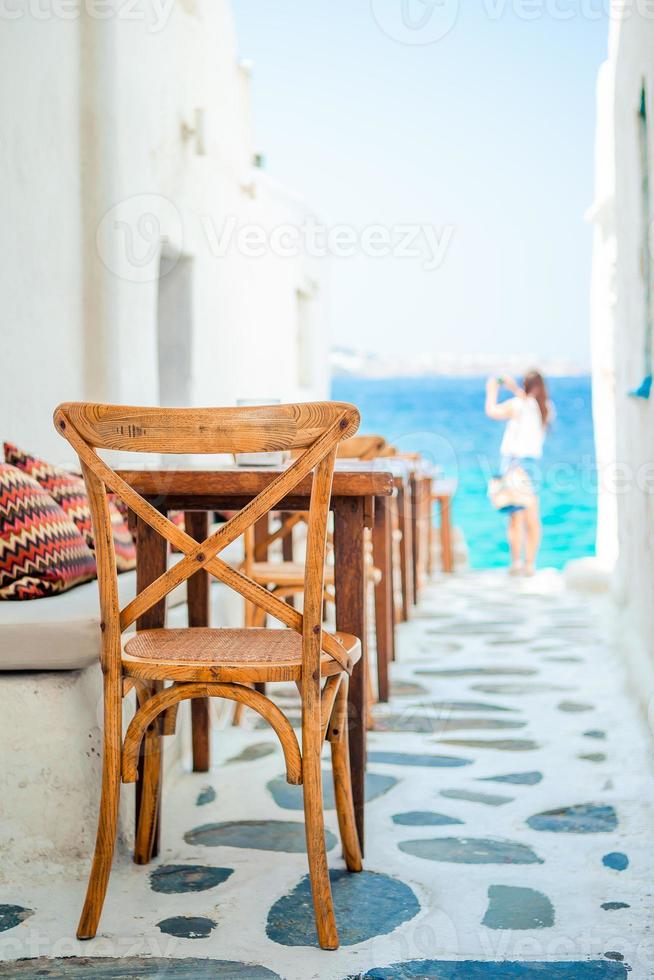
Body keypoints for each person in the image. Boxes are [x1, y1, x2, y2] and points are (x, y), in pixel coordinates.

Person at [485, 371, 554, 576]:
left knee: (515, 516)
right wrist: (514, 388)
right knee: (532, 517)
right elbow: (531, 402)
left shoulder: (519, 405)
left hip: (514, 464)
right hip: (533, 465)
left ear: (526, 385)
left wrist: (493, 389)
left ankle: (516, 562)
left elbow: (492, 411)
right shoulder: (547, 409)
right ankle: (530, 563)